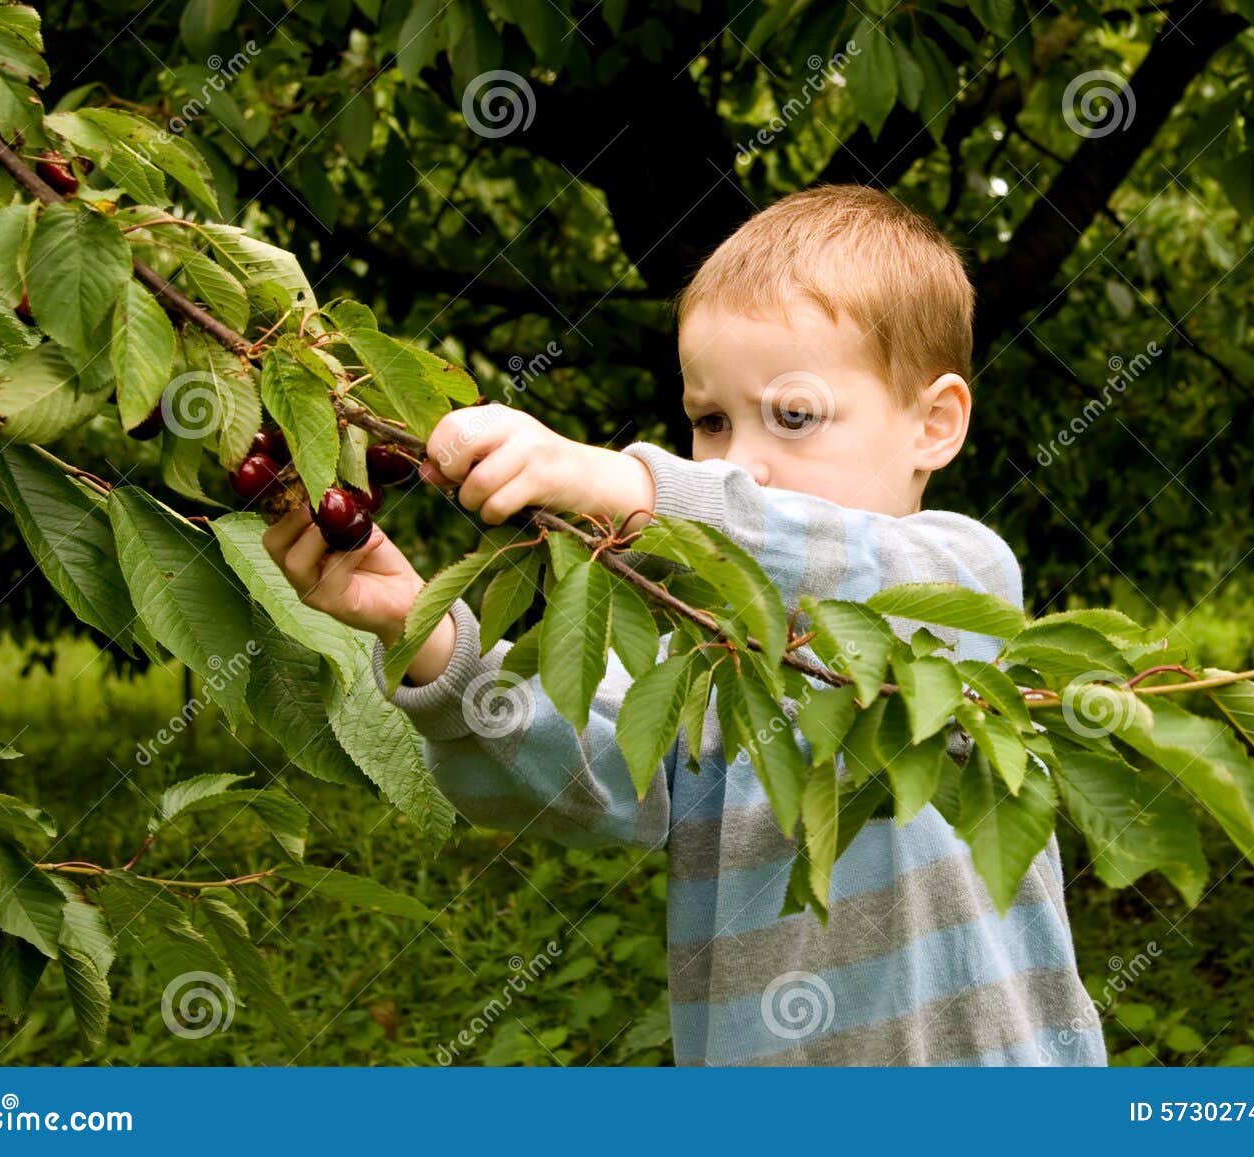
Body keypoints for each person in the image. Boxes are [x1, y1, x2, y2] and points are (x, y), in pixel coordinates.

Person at [265, 184, 1107, 1066]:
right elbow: (581, 772)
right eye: (709, 421)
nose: (743, 462)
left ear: (934, 425)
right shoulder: (698, 653)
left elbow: (825, 554)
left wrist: (627, 486)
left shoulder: (958, 582)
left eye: (792, 416)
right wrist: (423, 630)